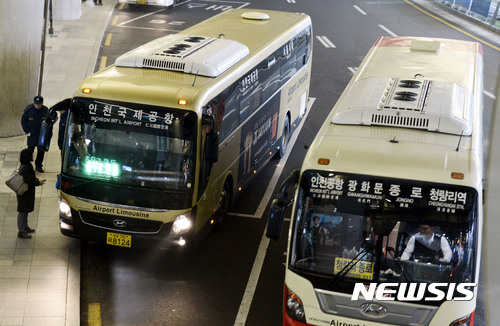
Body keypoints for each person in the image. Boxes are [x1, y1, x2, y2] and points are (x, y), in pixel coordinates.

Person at [16, 148, 46, 239]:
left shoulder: (26, 165)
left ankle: (25, 227)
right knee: (22, 211)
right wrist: (38, 182)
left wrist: (37, 181)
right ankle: (21, 230)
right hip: (24, 193)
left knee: (25, 210)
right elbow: (29, 180)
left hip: (26, 193)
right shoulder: (25, 167)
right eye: (32, 154)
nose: (33, 155)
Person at [21, 96, 49, 172]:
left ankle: (38, 166)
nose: (37, 106)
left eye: (39, 104)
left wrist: (48, 134)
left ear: (42, 103)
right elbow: (23, 121)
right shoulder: (29, 110)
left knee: (41, 152)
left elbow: (49, 123)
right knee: (29, 152)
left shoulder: (45, 111)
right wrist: (27, 131)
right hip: (32, 135)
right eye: (36, 104)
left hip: (41, 135)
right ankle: (28, 166)